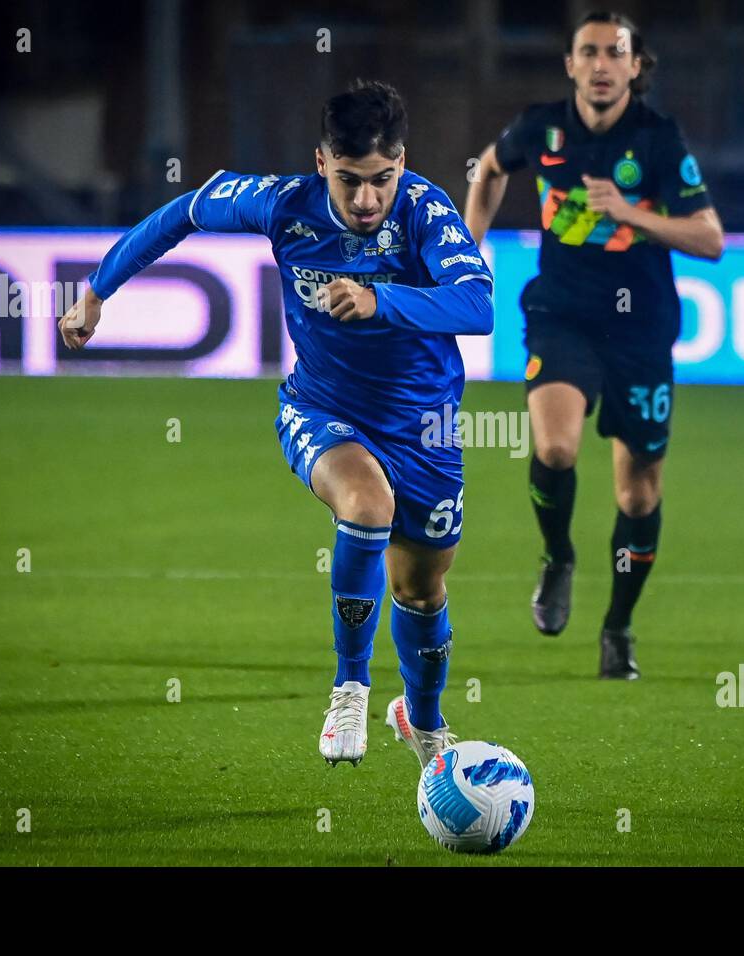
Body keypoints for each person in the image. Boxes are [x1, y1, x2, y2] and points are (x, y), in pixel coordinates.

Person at [59, 81, 494, 767]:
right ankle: (349, 685)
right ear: (322, 163)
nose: (366, 200)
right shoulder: (282, 204)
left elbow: (477, 306)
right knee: (366, 504)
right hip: (322, 410)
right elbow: (185, 210)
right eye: (350, 181)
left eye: (382, 179)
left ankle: (425, 721)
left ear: (402, 163)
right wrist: (98, 288)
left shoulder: (423, 211)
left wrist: (381, 299)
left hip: (426, 430)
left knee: (423, 586)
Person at [463, 11, 724, 678]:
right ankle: (558, 557)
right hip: (563, 315)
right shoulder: (541, 128)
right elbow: (490, 170)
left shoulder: (660, 141)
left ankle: (618, 628)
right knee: (554, 446)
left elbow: (710, 239)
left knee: (637, 495)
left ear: (636, 68)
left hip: (640, 331)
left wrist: (631, 212)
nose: (602, 64)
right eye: (590, 52)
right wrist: (469, 248)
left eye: (616, 53)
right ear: (571, 65)